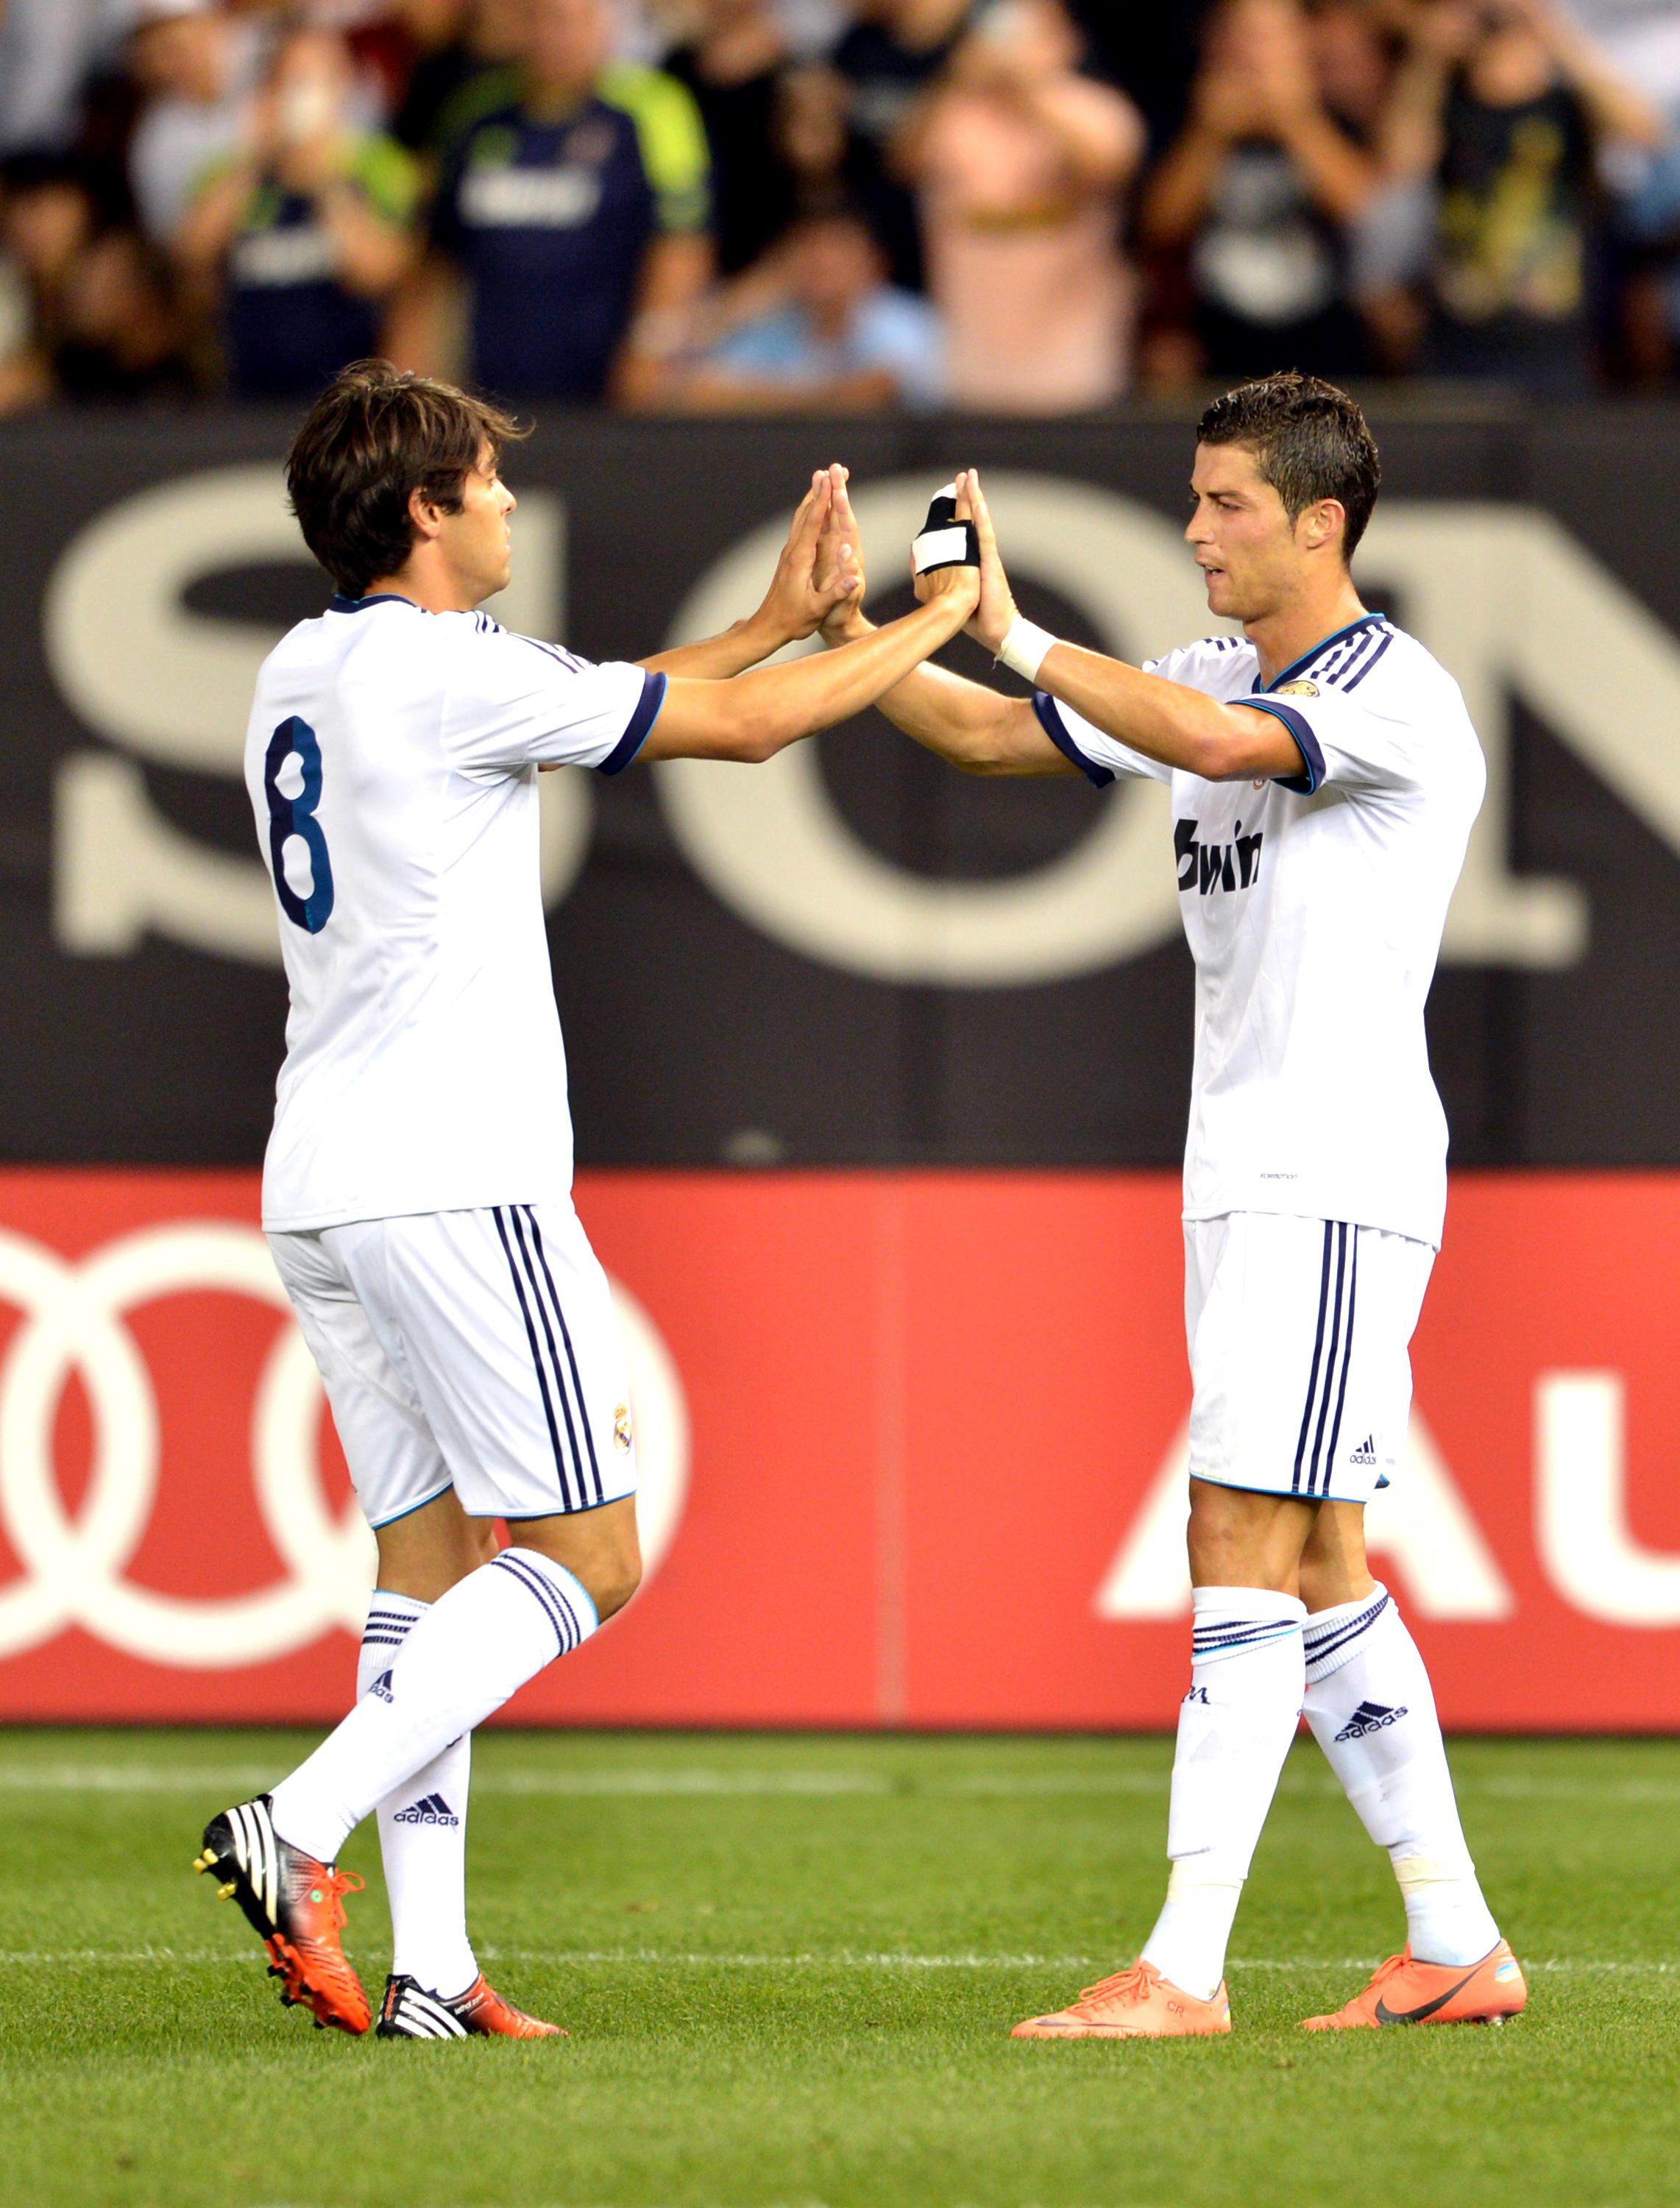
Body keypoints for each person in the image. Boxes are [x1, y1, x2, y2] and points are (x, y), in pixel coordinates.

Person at [194, 358, 979, 2039]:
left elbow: (625, 696)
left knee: (424, 1566)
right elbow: (749, 734)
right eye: (484, 483)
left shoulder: (315, 666)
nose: (507, 503)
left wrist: (775, 612)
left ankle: (431, 1967)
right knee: (589, 1555)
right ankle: (296, 1823)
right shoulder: (433, 673)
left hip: (323, 1174)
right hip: (455, 1169)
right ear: (423, 508)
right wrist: (935, 620)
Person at [817, 372, 1528, 2038]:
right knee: (1323, 1560)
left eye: (1224, 503)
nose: (1194, 528)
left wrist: (1017, 625)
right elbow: (1002, 732)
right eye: (1194, 497)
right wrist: (857, 642)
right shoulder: (1208, 669)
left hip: (1334, 1173)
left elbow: (1209, 745)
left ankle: (1183, 1967)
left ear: (1319, 521)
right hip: (1250, 1174)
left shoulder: (1395, 696)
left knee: (1232, 1536)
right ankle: (1453, 1940)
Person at [390, 0, 712, 406]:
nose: (557, 36)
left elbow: (682, 242)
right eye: (542, 18)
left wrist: (650, 352)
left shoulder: (653, 110)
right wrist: (412, 385)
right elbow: (435, 263)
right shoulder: (475, 114)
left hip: (607, 384)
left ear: (605, 26)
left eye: (575, 20)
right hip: (491, 386)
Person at [1380, 0, 1663, 394]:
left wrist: (1554, 34)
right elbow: (1400, 166)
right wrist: (1430, 55)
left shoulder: (1565, 104)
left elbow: (1644, 130)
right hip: (1456, 346)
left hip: (1555, 346)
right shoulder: (1447, 101)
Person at [899, 0, 1144, 411]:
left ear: (1069, 42)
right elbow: (903, 161)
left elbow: (1109, 165)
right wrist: (954, 78)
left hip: (1075, 370)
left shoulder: (1096, 108)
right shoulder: (956, 110)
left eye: (1031, 33)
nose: (1012, 46)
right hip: (968, 369)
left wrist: (1028, 89)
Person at [1139, 0, 1380, 382]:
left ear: (1303, 42)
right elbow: (1161, 224)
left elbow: (1366, 213)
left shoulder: (1335, 113)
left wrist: (1297, 122)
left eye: (1268, 37)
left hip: (1323, 344)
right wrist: (1209, 134)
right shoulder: (1186, 117)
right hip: (1216, 344)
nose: (1253, 53)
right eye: (1242, 35)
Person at [175, 26, 418, 399]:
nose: (303, 97)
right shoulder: (233, 172)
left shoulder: (379, 164)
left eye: (317, 81)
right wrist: (260, 157)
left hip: (349, 400)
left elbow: (378, 272)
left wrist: (324, 178)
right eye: (291, 81)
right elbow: (189, 253)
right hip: (249, 391)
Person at [680, 202, 944, 409]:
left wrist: (765, 396)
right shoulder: (775, 324)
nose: (822, 262)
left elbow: (876, 391)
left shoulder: (909, 324)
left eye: (838, 249)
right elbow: (701, 393)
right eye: (809, 249)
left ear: (875, 261)